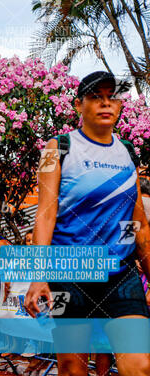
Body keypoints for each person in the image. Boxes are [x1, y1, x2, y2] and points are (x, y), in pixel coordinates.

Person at [25, 71, 150, 375]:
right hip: (68, 273)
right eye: (96, 97)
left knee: (140, 364)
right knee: (72, 367)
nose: (105, 103)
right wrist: (38, 276)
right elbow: (45, 214)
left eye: (112, 97)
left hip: (120, 274)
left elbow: (140, 225)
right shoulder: (55, 149)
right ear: (79, 104)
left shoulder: (128, 153)